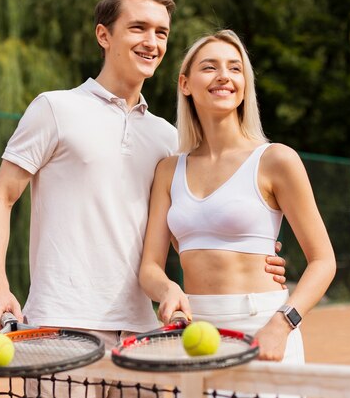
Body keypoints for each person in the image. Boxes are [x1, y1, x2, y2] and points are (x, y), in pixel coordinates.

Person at [0, 0, 287, 395]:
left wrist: (250, 257)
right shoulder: (55, 108)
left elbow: (185, 229)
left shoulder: (167, 138)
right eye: (138, 27)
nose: (152, 42)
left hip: (144, 334)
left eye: (161, 32)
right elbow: (1, 198)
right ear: (104, 35)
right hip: (60, 326)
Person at [139, 29, 336, 366]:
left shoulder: (277, 160)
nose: (224, 77)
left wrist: (283, 323)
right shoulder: (168, 170)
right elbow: (150, 267)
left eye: (235, 68)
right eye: (210, 67)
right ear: (185, 84)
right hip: (196, 331)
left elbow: (323, 261)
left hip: (263, 325)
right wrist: (168, 291)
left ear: (245, 84)